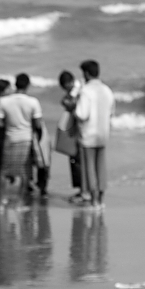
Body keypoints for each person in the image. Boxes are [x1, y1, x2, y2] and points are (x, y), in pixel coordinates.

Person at [0, 73, 43, 209]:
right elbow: (38, 124)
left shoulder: (4, 101)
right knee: (23, 171)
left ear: (15, 84)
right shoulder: (33, 102)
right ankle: (19, 202)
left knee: (4, 171)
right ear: (28, 85)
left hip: (10, 138)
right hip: (26, 139)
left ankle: (2, 201)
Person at [73, 60, 115, 211]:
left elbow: (81, 114)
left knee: (89, 169)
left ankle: (94, 200)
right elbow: (111, 112)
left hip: (88, 134)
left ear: (86, 74)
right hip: (103, 134)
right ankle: (101, 200)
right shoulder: (107, 90)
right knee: (101, 168)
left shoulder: (86, 91)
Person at [56, 70, 87, 204]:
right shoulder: (81, 87)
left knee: (78, 161)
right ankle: (83, 190)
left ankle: (83, 192)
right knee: (78, 160)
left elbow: (72, 104)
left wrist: (65, 102)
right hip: (80, 129)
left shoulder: (77, 90)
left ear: (68, 83)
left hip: (81, 130)